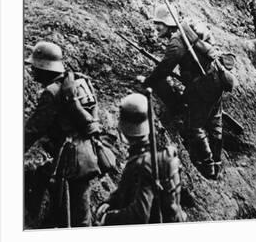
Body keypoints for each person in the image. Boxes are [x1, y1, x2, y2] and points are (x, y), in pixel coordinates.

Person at [138, 5, 236, 180]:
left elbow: (164, 69)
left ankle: (207, 166)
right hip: (215, 80)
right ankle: (217, 163)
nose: (157, 28)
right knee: (215, 123)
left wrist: (147, 82)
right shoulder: (189, 31)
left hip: (203, 87)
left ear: (168, 23)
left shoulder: (176, 42)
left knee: (194, 126)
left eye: (159, 24)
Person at [24, 41, 107, 228]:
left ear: (44, 68)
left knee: (69, 215)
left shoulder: (51, 93)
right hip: (87, 155)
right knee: (80, 212)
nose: (32, 71)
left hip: (68, 161)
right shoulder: (78, 82)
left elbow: (33, 129)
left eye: (35, 67)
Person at [96, 93, 187, 225]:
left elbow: (139, 216)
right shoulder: (161, 153)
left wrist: (107, 219)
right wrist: (111, 201)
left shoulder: (142, 164)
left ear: (124, 128)